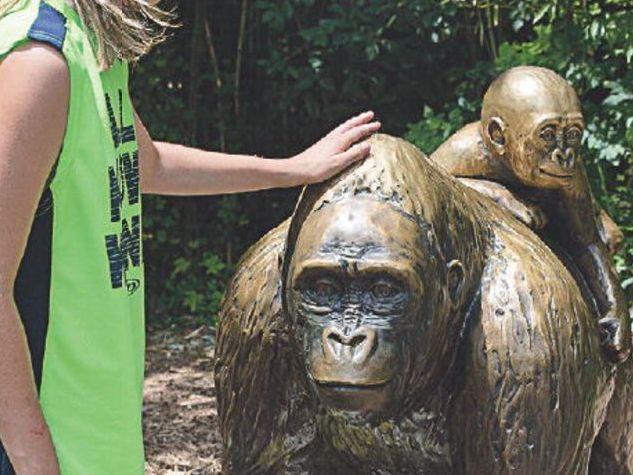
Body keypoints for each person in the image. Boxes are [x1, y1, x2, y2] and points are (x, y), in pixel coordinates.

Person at [0, 0, 381, 473]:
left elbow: (149, 163)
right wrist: (34, 456)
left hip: (90, 434)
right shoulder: (39, 61)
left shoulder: (92, 54)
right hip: (40, 445)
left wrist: (293, 170)